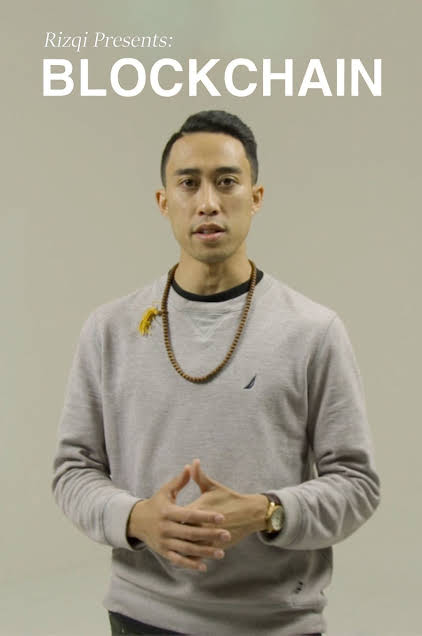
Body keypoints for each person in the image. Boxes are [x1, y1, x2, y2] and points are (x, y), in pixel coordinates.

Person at [51, 110, 381, 636]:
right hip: (141, 617)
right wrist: (136, 519)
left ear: (256, 197)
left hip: (275, 623)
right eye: (189, 183)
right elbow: (74, 469)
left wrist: (268, 511)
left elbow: (357, 485)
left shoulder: (314, 331)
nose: (208, 202)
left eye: (227, 182)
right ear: (164, 201)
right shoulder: (109, 330)